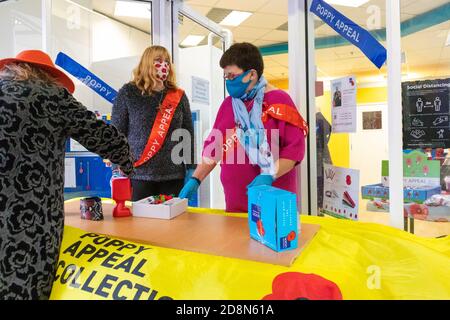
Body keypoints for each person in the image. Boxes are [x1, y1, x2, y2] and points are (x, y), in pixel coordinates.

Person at [0, 50, 134, 299]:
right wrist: (126, 163)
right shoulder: (51, 96)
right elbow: (105, 137)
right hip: (30, 225)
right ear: (50, 76)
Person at [179, 43, 308, 212]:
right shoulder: (229, 105)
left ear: (252, 74)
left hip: (273, 199)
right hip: (235, 202)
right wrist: (196, 179)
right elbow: (214, 147)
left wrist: (270, 175)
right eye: (226, 77)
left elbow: (294, 151)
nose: (228, 82)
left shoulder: (279, 101)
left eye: (232, 76)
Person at [112, 46, 196, 201]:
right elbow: (116, 132)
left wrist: (191, 167)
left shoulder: (178, 96)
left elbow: (187, 133)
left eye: (167, 62)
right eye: (158, 61)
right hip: (138, 174)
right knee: (140, 224)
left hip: (173, 175)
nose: (164, 65)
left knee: (173, 223)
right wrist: (117, 163)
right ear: (146, 63)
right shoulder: (128, 92)